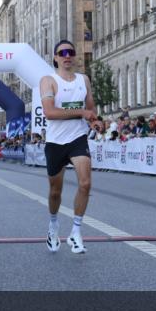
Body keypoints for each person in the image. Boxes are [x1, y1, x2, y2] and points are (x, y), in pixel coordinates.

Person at [40, 39, 97, 254]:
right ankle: (53, 226)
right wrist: (82, 113)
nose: (66, 56)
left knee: (85, 184)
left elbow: (91, 107)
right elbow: (50, 112)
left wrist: (95, 120)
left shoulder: (84, 80)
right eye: (62, 52)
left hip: (77, 138)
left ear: (74, 56)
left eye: (70, 52)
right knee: (55, 191)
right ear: (55, 58)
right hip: (55, 142)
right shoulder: (48, 81)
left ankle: (76, 232)